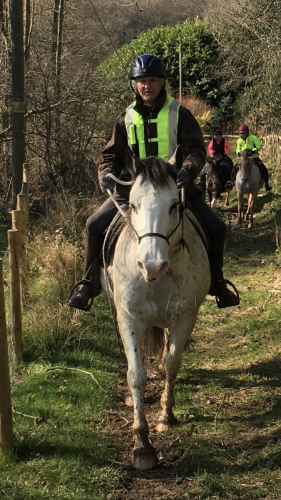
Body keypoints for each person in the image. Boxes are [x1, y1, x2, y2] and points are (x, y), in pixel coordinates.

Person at [68, 54, 239, 311]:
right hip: (133, 193)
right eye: (142, 81)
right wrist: (105, 172)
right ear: (134, 84)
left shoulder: (179, 113)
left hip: (176, 190)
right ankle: (88, 284)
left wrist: (187, 170)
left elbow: (196, 150)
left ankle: (217, 284)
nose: (147, 85)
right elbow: (109, 156)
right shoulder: (124, 118)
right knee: (93, 224)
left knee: (216, 227)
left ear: (162, 82)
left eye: (152, 80)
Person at [227, 124, 272, 191]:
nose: (243, 134)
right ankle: (231, 182)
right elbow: (237, 149)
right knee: (234, 168)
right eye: (241, 133)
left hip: (253, 157)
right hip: (243, 158)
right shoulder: (239, 140)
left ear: (247, 132)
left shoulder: (253, 137)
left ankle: (266, 184)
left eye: (244, 132)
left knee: (263, 168)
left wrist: (253, 150)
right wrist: (240, 153)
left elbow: (259, 146)